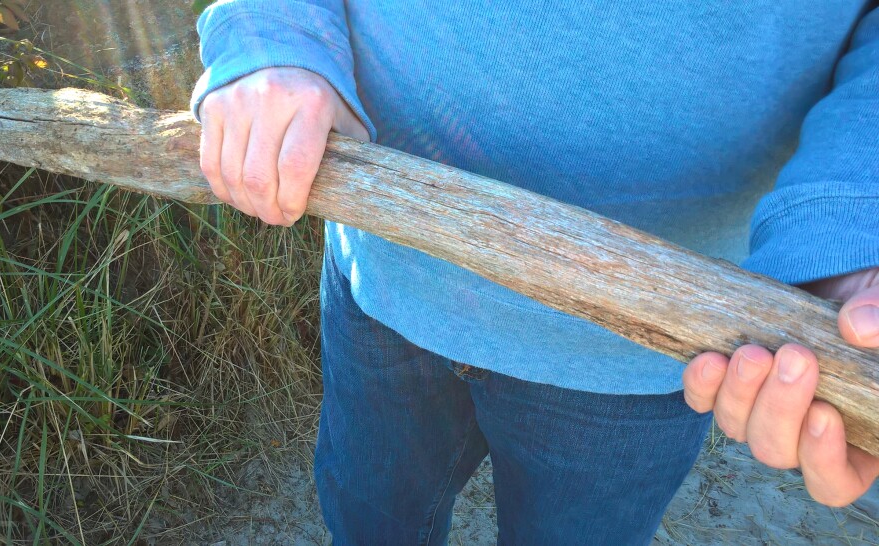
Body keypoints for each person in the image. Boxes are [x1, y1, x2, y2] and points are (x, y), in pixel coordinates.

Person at [191, 1, 879, 543]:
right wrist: (276, 25)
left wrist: (849, 228)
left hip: (637, 358)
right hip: (385, 278)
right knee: (368, 520)